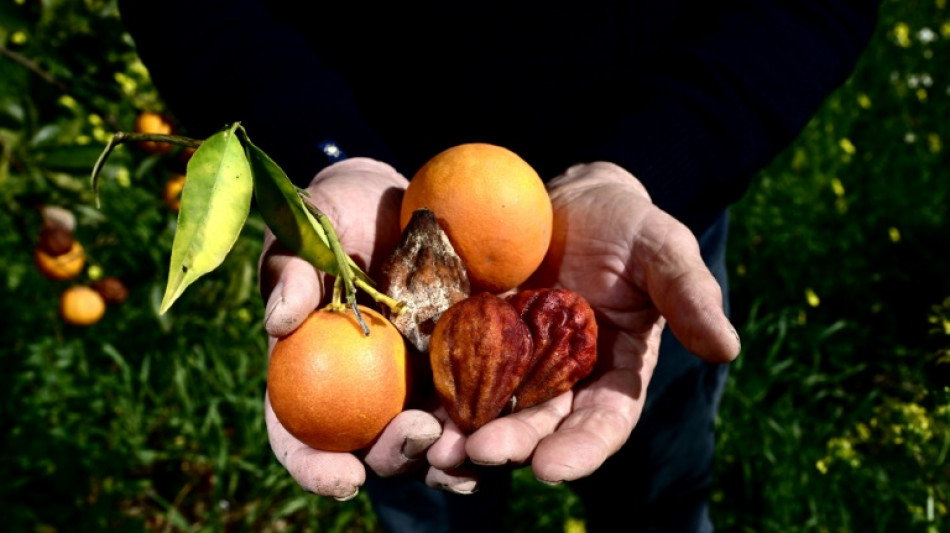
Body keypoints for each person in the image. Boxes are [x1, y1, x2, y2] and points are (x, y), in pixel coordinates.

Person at [118, 1, 881, 531]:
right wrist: (322, 149)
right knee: (430, 479)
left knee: (660, 489)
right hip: (384, 240)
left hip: (640, 239)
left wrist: (660, 160)